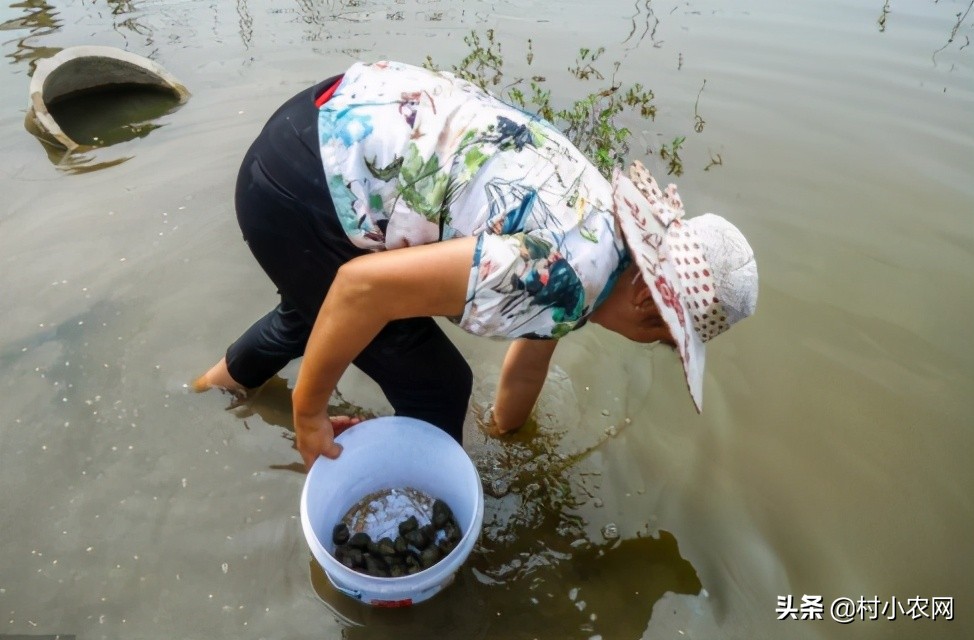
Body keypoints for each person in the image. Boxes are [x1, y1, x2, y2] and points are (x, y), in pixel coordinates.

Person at [193, 60, 758, 470]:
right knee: (439, 385)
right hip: (305, 188)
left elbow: (530, 363)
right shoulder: (567, 280)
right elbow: (360, 288)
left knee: (312, 315)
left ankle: (207, 396)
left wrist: (504, 438)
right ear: (646, 303)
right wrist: (310, 413)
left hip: (324, 127)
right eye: (664, 338)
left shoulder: (601, 234)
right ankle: (420, 549)